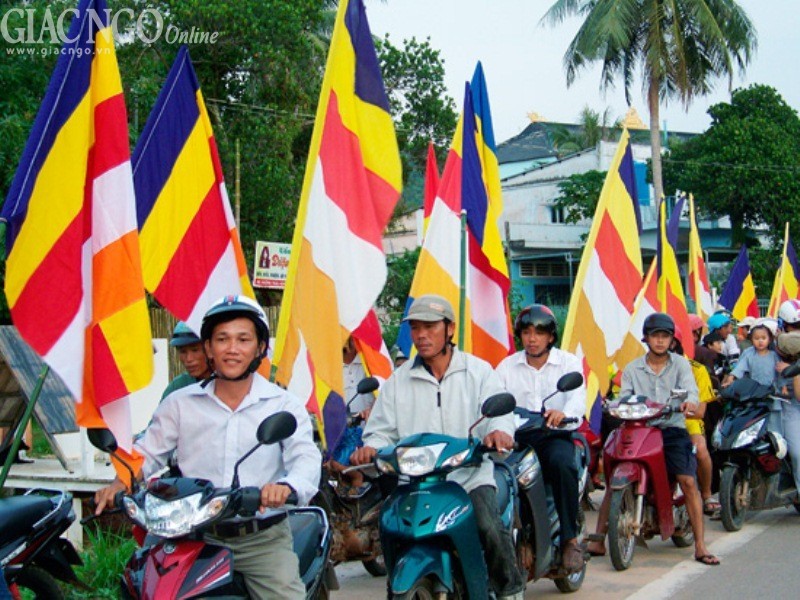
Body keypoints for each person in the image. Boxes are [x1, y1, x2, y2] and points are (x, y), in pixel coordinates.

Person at [94, 295, 321, 598]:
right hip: (190, 535)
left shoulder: (284, 405)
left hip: (259, 540)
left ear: (260, 347)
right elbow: (147, 453)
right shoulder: (180, 403)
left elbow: (305, 459)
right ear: (209, 349)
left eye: (243, 339)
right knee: (141, 587)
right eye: (222, 339)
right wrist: (119, 482)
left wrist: (285, 487)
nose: (232, 349)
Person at [350, 295, 525, 599]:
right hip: (417, 483)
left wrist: (498, 432)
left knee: (488, 525)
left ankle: (510, 591)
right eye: (416, 328)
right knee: (389, 525)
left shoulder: (477, 371)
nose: (421, 335)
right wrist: (371, 448)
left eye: (430, 327)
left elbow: (501, 414)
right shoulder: (397, 382)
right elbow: (379, 431)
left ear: (450, 329)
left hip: (469, 477)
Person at [586, 313, 719, 566]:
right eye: (655, 336)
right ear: (646, 338)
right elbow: (624, 396)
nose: (660, 341)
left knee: (688, 480)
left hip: (671, 429)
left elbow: (691, 391)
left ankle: (701, 545)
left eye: (665, 336)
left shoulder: (681, 365)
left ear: (671, 340)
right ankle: (599, 538)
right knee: (613, 475)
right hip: (639, 428)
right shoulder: (632, 369)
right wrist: (614, 405)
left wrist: (689, 402)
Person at [494, 304, 586, 573]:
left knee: (562, 465)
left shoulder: (568, 362)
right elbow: (494, 400)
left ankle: (569, 539)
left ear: (550, 337)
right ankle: (517, 537)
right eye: (526, 332)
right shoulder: (506, 367)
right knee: (500, 476)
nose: (532, 338)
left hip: (553, 436)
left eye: (538, 332)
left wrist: (563, 413)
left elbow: (578, 399)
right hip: (518, 440)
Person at [672, 327, 719, 516]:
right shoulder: (646, 368)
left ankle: (707, 494)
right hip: (656, 423)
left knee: (700, 450)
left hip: (687, 421)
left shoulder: (697, 370)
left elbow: (699, 411)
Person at [774, 300, 800, 494]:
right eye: (793, 327)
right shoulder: (769, 348)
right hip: (784, 407)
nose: (796, 332)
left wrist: (794, 370)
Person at [161, 321, 212, 399]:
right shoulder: (176, 388)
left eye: (195, 350)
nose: (189, 359)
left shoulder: (229, 384)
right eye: (182, 351)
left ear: (210, 348)